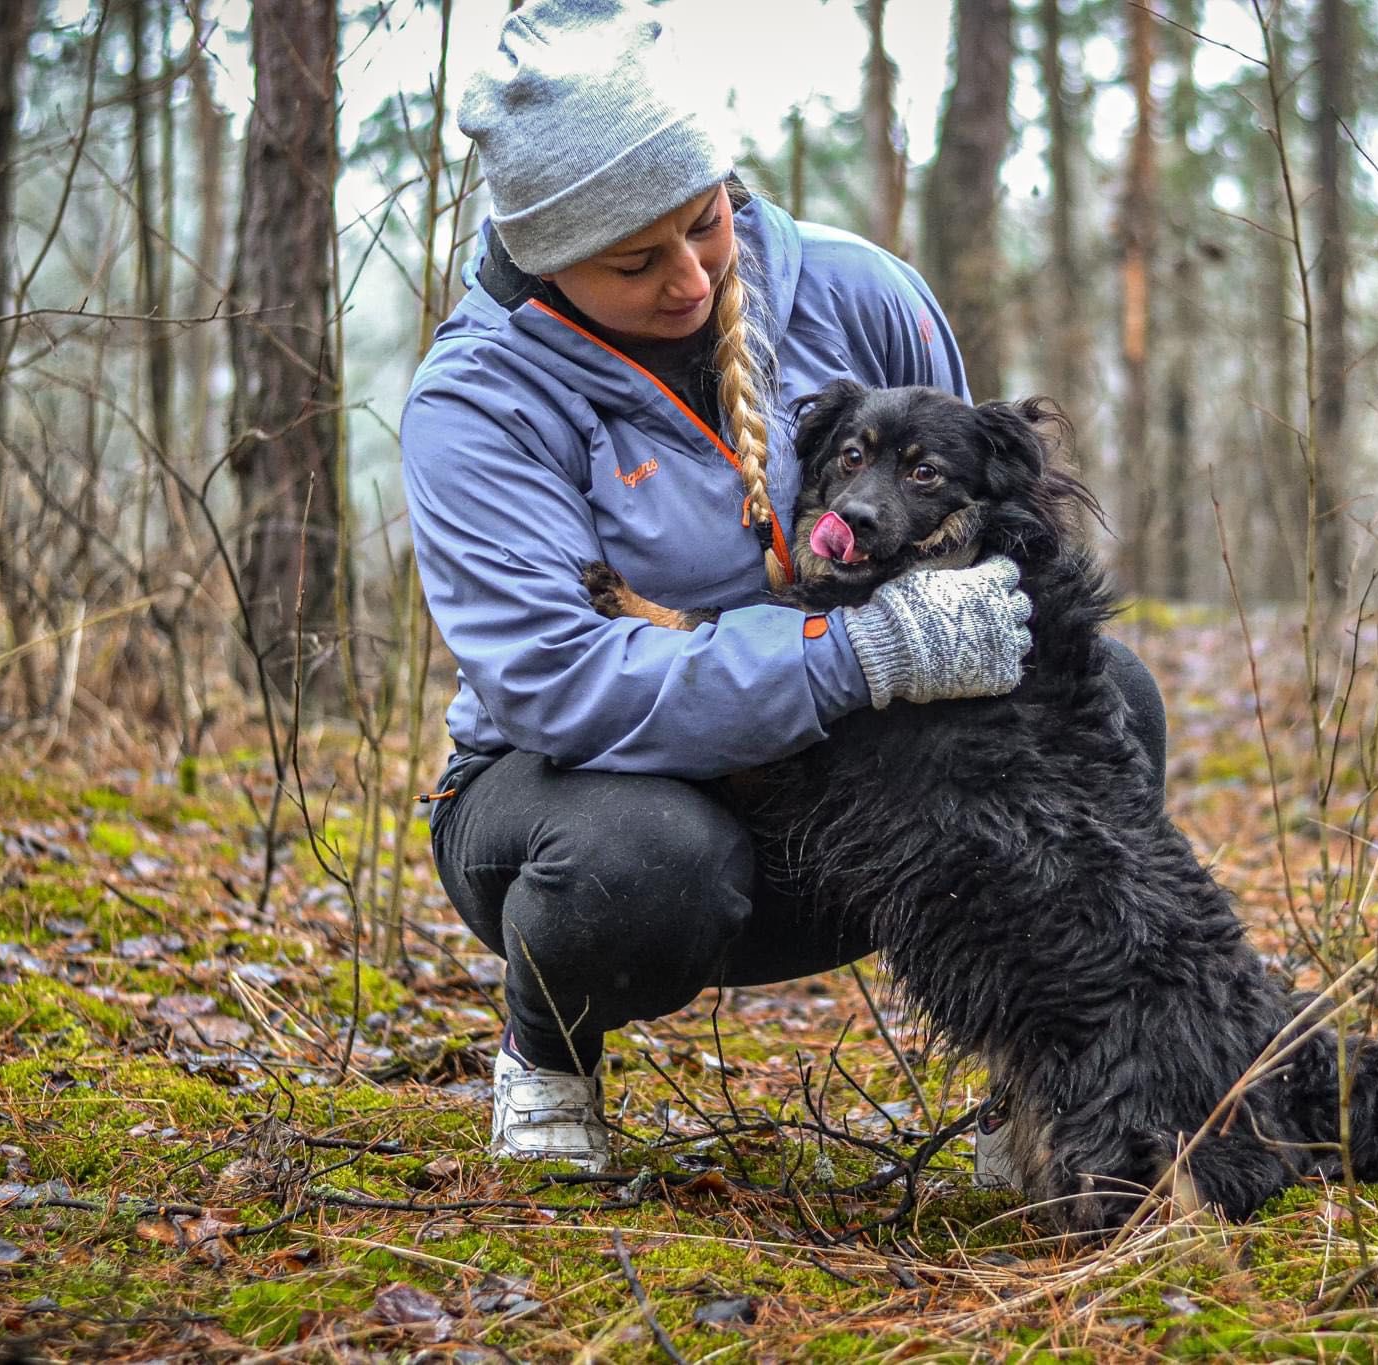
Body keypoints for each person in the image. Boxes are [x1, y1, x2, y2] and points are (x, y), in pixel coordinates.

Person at [402, 0, 1167, 1170]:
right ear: (547, 260)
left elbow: (967, 523)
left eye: (704, 225)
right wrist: (851, 655)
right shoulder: (476, 406)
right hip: (585, 801)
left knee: (1106, 693)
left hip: (842, 784)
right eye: (631, 261)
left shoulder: (859, 291)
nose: (690, 281)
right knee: (646, 862)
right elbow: (558, 684)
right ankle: (546, 1059)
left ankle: (1054, 1071)